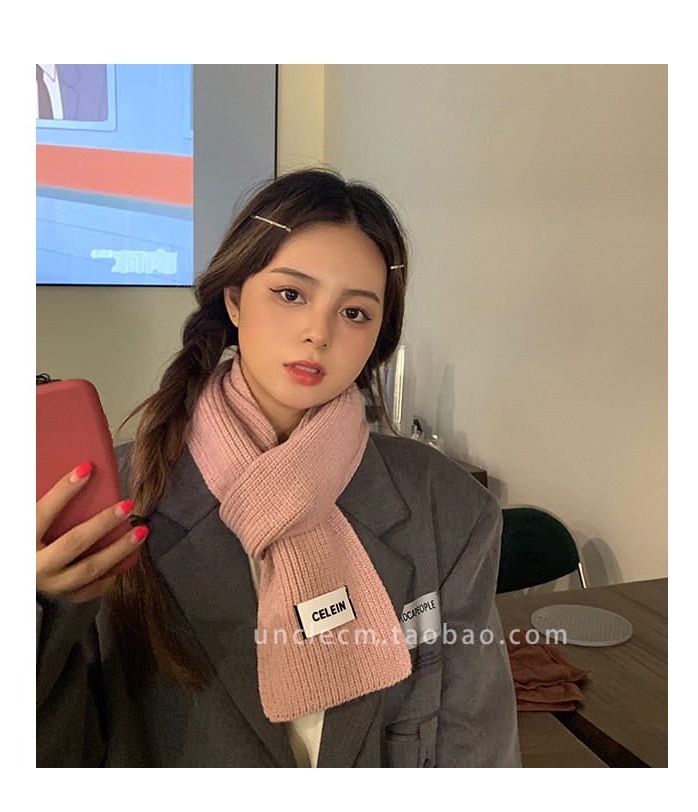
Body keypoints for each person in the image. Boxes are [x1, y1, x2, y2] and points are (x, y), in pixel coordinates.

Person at [36, 168, 521, 767]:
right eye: (291, 294)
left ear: (378, 337)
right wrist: (36, 612)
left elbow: (475, 749)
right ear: (234, 300)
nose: (318, 332)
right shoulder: (117, 503)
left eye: (355, 312)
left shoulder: (447, 507)